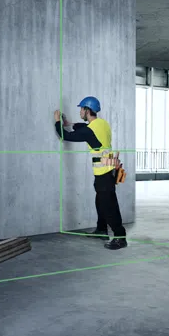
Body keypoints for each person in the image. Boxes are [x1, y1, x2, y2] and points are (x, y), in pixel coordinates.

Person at [54, 96, 127, 250]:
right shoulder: (102, 124)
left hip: (104, 173)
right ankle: (101, 230)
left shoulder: (90, 131)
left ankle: (120, 238)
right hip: (108, 171)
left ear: (87, 110)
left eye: (81, 109)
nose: (80, 111)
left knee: (109, 206)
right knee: (100, 202)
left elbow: (65, 136)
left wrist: (57, 122)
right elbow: (83, 128)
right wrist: (70, 124)